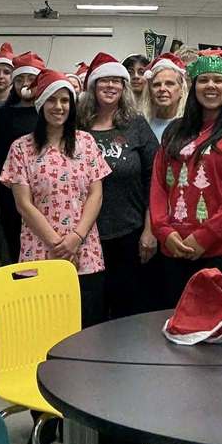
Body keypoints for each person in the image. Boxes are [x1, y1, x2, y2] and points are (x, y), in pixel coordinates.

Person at [150, 50, 222, 307]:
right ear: (193, 86)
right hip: (175, 249)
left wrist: (204, 237)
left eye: (218, 80)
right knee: (178, 332)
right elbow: (160, 185)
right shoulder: (175, 130)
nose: (211, 86)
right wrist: (162, 230)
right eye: (204, 80)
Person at [1, 68, 109, 324]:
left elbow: (96, 194)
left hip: (84, 251)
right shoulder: (21, 148)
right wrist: (57, 244)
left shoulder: (86, 142)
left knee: (85, 325)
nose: (58, 107)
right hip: (39, 250)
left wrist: (75, 238)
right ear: (40, 104)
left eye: (64, 101)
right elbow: (23, 204)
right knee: (42, 325)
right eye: (51, 100)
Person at [78, 53, 158, 320]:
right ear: (93, 87)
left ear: (124, 88)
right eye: (103, 81)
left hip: (130, 234)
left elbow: (154, 179)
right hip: (85, 237)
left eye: (116, 81)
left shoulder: (136, 124)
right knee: (91, 312)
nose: (110, 86)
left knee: (129, 312)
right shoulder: (78, 125)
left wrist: (149, 230)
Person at [0, 51, 44, 264]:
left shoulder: (48, 112)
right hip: (12, 194)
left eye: (31, 79)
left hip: (47, 194)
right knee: (16, 250)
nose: (25, 84)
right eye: (20, 79)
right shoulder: (2, 116)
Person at [143, 53, 187, 141]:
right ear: (150, 92)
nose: (162, 89)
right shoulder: (141, 126)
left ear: (181, 90)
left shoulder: (190, 126)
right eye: (156, 85)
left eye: (169, 84)